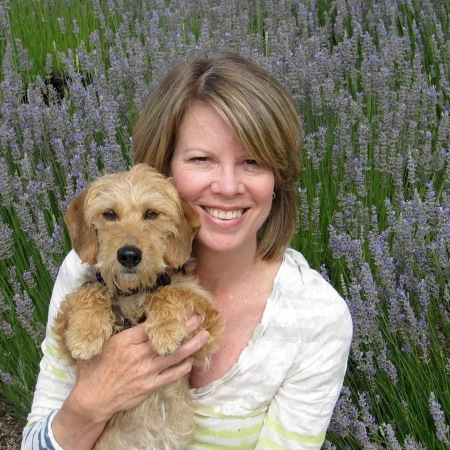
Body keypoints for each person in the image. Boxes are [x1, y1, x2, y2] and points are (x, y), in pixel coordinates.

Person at [22, 52, 352, 449]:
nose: (228, 186)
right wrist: (92, 400)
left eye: (252, 162)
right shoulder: (88, 267)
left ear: (278, 178)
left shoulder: (316, 320)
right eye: (202, 159)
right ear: (164, 167)